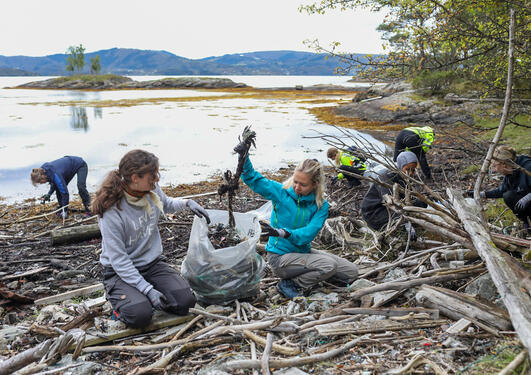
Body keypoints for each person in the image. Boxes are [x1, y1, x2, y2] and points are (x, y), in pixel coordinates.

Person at [92, 149, 211, 328]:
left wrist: (187, 203)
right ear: (134, 178)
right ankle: (120, 300)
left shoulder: (151, 190)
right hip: (120, 272)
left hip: (152, 265)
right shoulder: (111, 211)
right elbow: (119, 260)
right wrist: (148, 291)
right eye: (152, 175)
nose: (157, 178)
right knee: (140, 315)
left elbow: (167, 203)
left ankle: (142, 295)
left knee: (185, 302)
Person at [235, 129, 358, 299]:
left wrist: (284, 233)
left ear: (315, 185)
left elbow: (308, 234)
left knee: (351, 273)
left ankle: (313, 275)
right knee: (328, 265)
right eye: (295, 181)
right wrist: (243, 156)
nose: (297, 187)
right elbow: (253, 178)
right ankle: (291, 284)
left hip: (302, 252)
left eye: (303, 184)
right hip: (280, 258)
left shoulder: (321, 206)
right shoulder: (281, 192)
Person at [361, 151, 427, 238]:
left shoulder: (404, 179)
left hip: (389, 209)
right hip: (374, 213)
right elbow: (391, 203)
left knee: (420, 204)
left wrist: (424, 201)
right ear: (400, 166)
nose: (411, 173)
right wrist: (406, 223)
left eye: (413, 170)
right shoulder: (386, 177)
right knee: (407, 216)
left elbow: (409, 199)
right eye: (407, 169)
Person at [472, 146, 531, 232]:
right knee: (508, 196)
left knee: (510, 196)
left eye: (495, 166)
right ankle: (527, 223)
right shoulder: (509, 173)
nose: (495, 170)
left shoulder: (528, 166)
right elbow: (501, 191)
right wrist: (481, 194)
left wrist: (528, 197)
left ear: (503, 163)